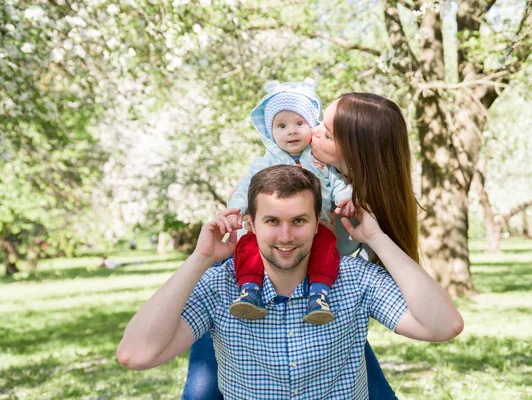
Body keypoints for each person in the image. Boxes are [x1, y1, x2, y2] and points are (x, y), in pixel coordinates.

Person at [117, 165, 464, 399]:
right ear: (251, 224)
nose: (286, 236)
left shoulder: (353, 278)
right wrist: (200, 259)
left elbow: (443, 326)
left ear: (318, 223)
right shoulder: (221, 285)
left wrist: (376, 238)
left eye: (299, 220)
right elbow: (136, 355)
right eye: (272, 221)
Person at [181, 92, 437, 399]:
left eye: (325, 133)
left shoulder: (362, 201)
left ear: (354, 154)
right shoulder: (292, 168)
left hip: (322, 296)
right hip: (251, 285)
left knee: (365, 382)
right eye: (318, 123)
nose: (312, 130)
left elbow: (390, 287)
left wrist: (371, 240)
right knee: (204, 389)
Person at [227, 79, 352, 325]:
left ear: (312, 126)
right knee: (248, 245)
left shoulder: (320, 161)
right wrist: (236, 209)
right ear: (270, 132)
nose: (291, 131)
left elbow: (337, 184)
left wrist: (347, 199)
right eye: (281, 126)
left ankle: (319, 293)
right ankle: (250, 288)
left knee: (326, 247)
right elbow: (244, 188)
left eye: (299, 123)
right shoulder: (265, 161)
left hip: (317, 226)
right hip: (271, 227)